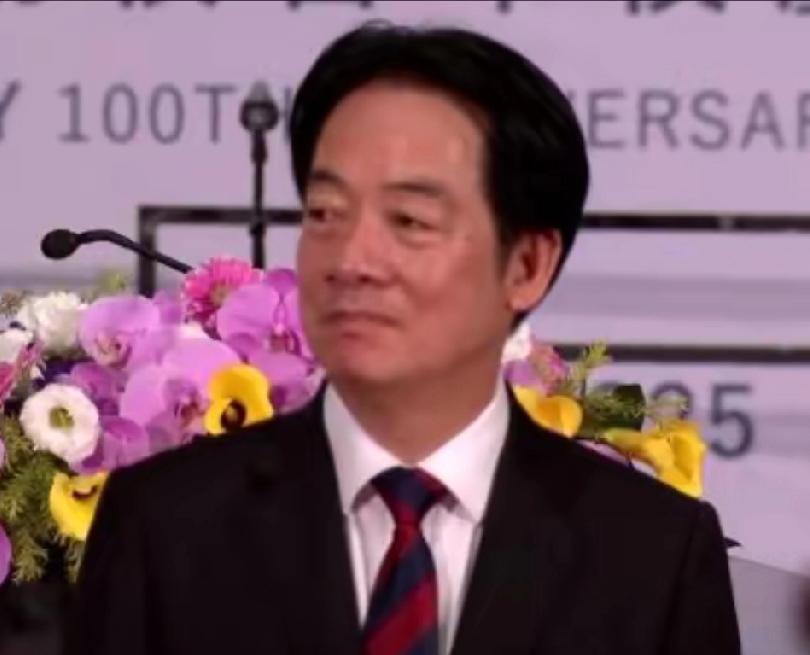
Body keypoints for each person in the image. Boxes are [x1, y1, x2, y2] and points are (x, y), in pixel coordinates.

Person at [65, 22, 740, 655]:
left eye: (409, 220)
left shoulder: (653, 555)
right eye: (325, 212)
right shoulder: (165, 524)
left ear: (527, 265)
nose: (351, 258)